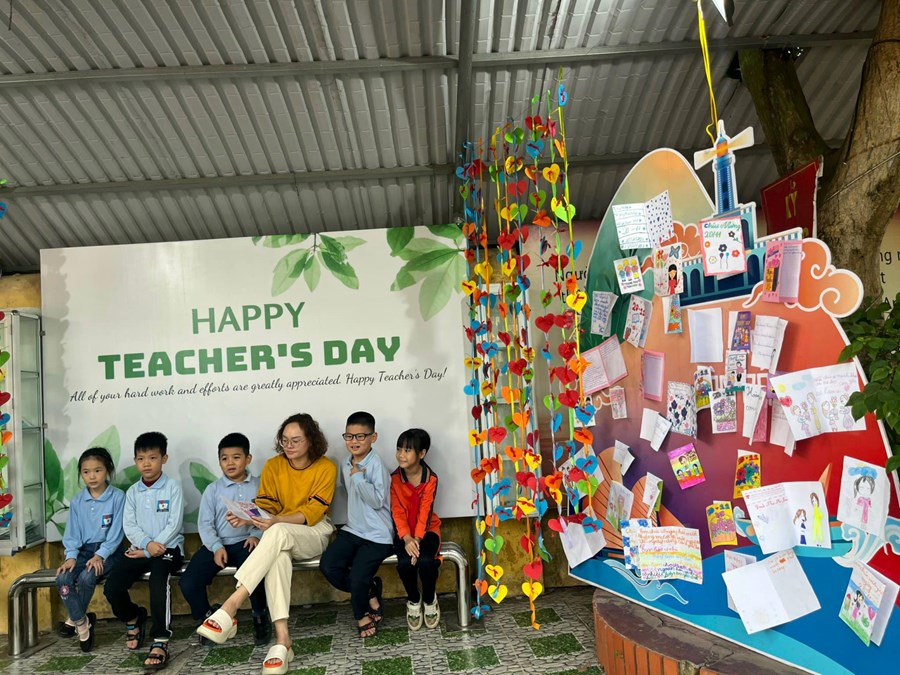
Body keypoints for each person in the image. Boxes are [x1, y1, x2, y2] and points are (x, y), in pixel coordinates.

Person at [196, 413, 336, 675]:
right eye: (284, 440)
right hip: (278, 535)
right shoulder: (273, 466)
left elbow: (313, 512)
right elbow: (267, 506)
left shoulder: (326, 466)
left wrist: (276, 520)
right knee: (278, 556)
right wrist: (248, 517)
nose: (289, 446)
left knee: (278, 532)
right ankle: (283, 640)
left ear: (311, 440)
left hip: (313, 531)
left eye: (296, 440)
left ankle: (231, 605)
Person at [179, 433, 271, 646]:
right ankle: (210, 617)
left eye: (236, 457)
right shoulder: (212, 490)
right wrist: (216, 546)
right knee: (188, 581)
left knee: (254, 570)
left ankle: (260, 615)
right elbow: (205, 524)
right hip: (217, 545)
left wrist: (256, 535)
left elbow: (267, 516)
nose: (230, 463)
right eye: (224, 458)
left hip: (247, 542)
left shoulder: (260, 486)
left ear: (248, 459)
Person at [103, 432, 184, 671]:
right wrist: (147, 546)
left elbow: (174, 524)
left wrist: (150, 550)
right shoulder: (132, 492)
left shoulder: (172, 488)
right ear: (135, 461)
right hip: (139, 549)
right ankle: (133, 617)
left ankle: (160, 641)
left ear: (164, 459)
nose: (146, 464)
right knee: (112, 586)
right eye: (141, 459)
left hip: (169, 549)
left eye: (152, 458)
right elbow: (129, 526)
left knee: (158, 582)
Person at [320, 411, 393, 639]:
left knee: (357, 578)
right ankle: (370, 590)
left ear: (373, 437)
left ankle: (361, 616)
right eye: (349, 436)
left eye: (361, 436)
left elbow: (377, 501)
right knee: (328, 566)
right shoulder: (345, 462)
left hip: (378, 535)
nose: (354, 441)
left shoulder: (377, 465)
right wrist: (355, 475)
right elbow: (348, 491)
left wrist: (359, 477)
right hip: (353, 530)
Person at [56, 447, 126, 652]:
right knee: (62, 578)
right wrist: (71, 556)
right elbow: (72, 533)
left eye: (97, 470)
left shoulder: (118, 497)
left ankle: (74, 621)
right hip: (82, 552)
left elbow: (117, 533)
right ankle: (81, 621)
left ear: (108, 471)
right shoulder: (78, 501)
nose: (92, 476)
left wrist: (100, 555)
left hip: (110, 552)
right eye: (86, 472)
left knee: (88, 577)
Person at [390, 429, 442, 630]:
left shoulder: (431, 479)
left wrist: (417, 540)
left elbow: (425, 513)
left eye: (407, 450)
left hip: (427, 531)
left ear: (422, 453)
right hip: (403, 534)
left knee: (426, 561)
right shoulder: (394, 479)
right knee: (405, 563)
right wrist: (407, 538)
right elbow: (396, 511)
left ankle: (429, 599)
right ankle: (413, 598)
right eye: (399, 449)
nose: (401, 455)